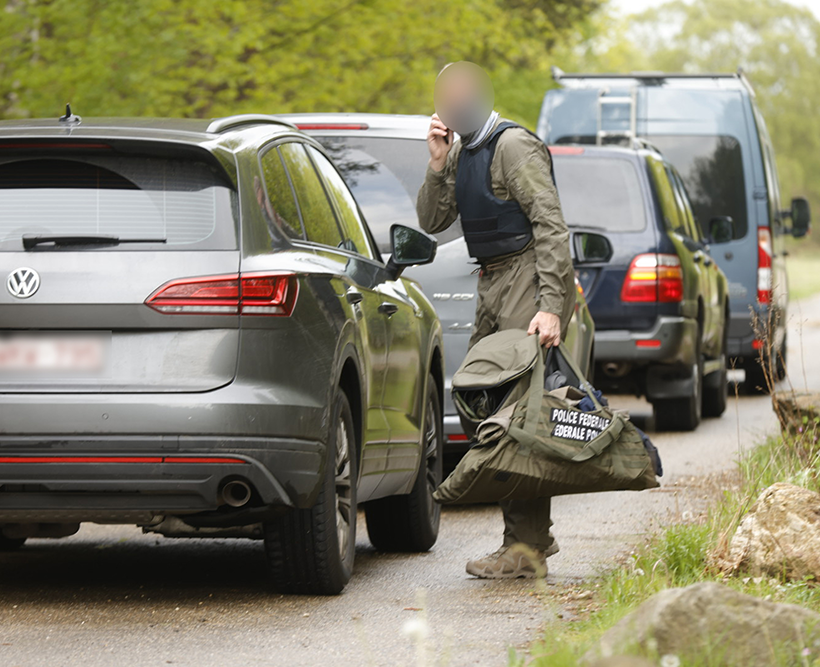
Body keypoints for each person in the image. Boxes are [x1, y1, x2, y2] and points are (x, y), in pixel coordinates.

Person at [416, 61, 576, 579]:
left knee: (516, 415)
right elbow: (433, 221)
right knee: (483, 409)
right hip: (490, 282)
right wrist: (438, 162)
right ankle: (528, 540)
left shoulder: (513, 146)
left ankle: (524, 548)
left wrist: (551, 306)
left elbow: (552, 226)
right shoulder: (462, 150)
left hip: (526, 281)